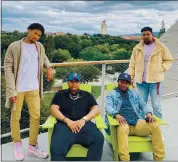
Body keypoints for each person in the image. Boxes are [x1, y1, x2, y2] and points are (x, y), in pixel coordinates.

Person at [4, 23, 53, 161]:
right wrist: (11, 91)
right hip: (17, 89)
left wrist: (49, 67)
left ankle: (32, 146)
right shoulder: (14, 46)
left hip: (33, 88)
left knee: (36, 117)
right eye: (35, 33)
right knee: (15, 117)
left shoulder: (39, 46)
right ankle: (17, 144)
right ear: (29, 30)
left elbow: (44, 59)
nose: (36, 37)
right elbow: (8, 68)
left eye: (39, 35)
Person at [105, 73, 165, 161]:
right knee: (122, 129)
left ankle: (159, 159)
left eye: (126, 83)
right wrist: (117, 114)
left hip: (136, 123)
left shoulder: (134, 94)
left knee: (154, 126)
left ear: (129, 84)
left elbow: (144, 105)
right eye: (122, 82)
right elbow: (108, 107)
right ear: (118, 82)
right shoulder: (112, 94)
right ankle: (125, 159)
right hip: (123, 123)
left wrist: (148, 113)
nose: (124, 84)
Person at [50, 72, 104, 161]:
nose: (74, 84)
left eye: (76, 81)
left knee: (98, 139)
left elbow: (96, 109)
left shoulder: (87, 95)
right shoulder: (60, 94)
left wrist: (84, 119)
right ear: (68, 82)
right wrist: (67, 120)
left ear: (79, 83)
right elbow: (53, 109)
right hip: (64, 125)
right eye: (71, 81)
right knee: (56, 148)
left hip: (83, 125)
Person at [129, 26, 173, 119]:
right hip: (141, 82)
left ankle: (156, 128)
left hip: (155, 82)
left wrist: (161, 68)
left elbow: (169, 60)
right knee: (140, 105)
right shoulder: (137, 48)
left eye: (147, 34)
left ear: (152, 35)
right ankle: (140, 126)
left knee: (156, 105)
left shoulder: (161, 47)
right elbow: (132, 63)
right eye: (143, 35)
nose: (145, 36)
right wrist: (131, 77)